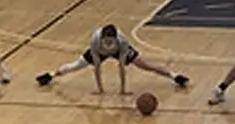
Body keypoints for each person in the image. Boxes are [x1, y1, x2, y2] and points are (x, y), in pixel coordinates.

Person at [36, 24, 189, 94]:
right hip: (99, 52)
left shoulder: (122, 41)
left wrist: (122, 89)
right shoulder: (95, 40)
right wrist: (100, 89)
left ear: (115, 38)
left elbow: (121, 66)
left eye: (111, 41)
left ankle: (174, 76)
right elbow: (97, 67)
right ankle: (51, 75)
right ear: (102, 38)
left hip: (119, 51)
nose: (109, 43)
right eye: (106, 41)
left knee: (146, 65)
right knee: (75, 65)